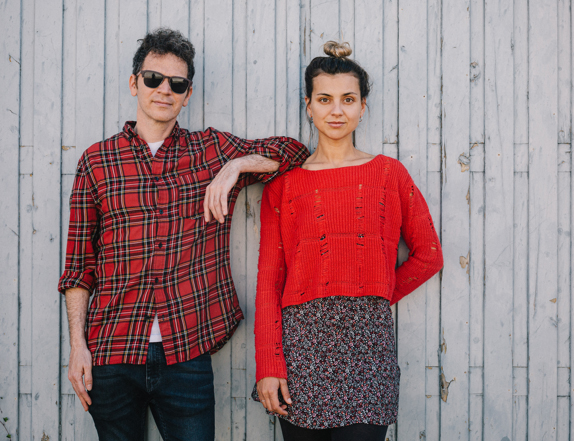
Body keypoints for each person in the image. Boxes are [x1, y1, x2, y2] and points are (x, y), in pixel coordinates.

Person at [58, 28, 309, 441]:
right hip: (112, 350)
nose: (164, 90)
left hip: (186, 350)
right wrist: (77, 346)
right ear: (134, 83)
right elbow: (78, 267)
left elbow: (294, 153)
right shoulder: (97, 161)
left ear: (187, 94)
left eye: (177, 84)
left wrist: (236, 166)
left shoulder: (211, 151)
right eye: (153, 78)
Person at [252, 41, 444, 441]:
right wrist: (269, 365)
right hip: (302, 349)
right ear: (309, 106)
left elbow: (429, 256)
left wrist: (375, 293)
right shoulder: (284, 186)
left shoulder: (389, 175)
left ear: (362, 107)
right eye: (325, 99)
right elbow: (270, 282)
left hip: (369, 347)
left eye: (348, 99)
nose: (336, 110)